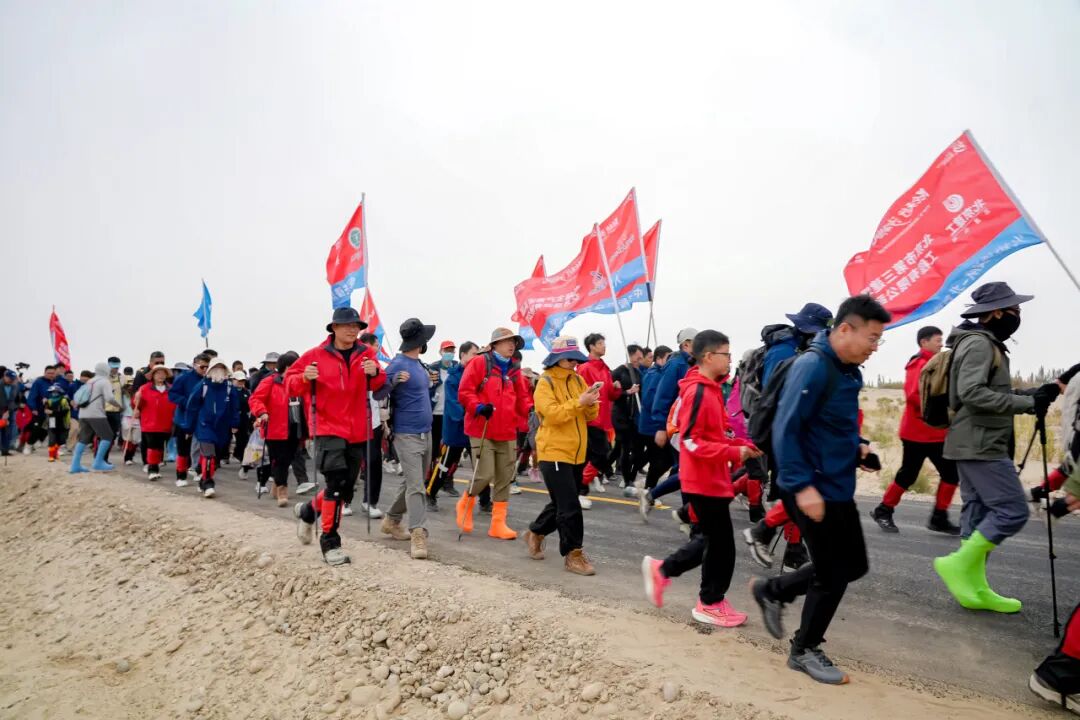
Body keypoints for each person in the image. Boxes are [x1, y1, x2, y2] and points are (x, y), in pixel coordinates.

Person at [749, 295, 889, 685]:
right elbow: (787, 429)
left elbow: (831, 425)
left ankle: (773, 591)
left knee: (853, 565)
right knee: (832, 572)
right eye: (872, 337)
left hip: (836, 484)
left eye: (879, 339)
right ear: (845, 329)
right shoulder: (812, 366)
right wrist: (802, 487)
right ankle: (804, 649)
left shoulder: (846, 370)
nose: (876, 346)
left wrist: (858, 447)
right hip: (810, 487)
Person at [933, 282, 1060, 614]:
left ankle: (975, 587)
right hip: (980, 443)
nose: (1018, 315)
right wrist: (1026, 404)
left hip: (971, 441)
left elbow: (990, 391)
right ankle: (958, 564)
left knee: (976, 513)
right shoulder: (978, 344)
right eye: (1015, 310)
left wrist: (1032, 395)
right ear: (997, 313)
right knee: (1012, 510)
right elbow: (972, 393)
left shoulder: (981, 342)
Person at [642, 330, 760, 627]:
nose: (730, 360)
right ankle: (705, 599)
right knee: (719, 546)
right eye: (726, 354)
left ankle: (681, 583)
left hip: (712, 478)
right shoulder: (698, 391)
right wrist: (733, 452)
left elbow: (712, 436)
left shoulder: (710, 389)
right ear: (708, 356)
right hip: (702, 480)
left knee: (713, 542)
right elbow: (691, 441)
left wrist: (740, 446)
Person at [290, 307, 386, 566]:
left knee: (345, 487)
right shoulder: (314, 355)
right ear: (334, 327)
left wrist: (375, 373)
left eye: (357, 326)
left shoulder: (367, 354)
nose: (353, 330)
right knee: (335, 483)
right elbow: (290, 383)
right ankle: (330, 542)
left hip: (358, 429)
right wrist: (303, 377)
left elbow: (379, 385)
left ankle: (309, 511)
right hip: (327, 426)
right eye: (347, 325)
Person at [870, 326, 961, 535]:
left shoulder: (940, 363)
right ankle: (883, 510)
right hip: (917, 434)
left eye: (941, 340)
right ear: (924, 342)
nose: (941, 343)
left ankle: (939, 517)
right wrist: (942, 408)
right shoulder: (918, 364)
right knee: (908, 475)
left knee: (951, 474)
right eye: (937, 340)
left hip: (937, 433)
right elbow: (913, 396)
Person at [523, 336, 599, 575]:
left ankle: (536, 531)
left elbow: (590, 416)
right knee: (570, 506)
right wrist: (579, 402)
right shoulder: (545, 382)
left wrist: (590, 402)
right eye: (569, 359)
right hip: (554, 452)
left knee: (562, 503)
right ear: (557, 359)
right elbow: (552, 415)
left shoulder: (578, 379)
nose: (574, 363)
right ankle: (573, 554)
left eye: (576, 359)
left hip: (576, 452)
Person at [455, 328, 532, 539]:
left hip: (507, 430)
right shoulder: (480, 363)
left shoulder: (515, 369)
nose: (511, 345)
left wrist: (531, 409)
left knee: (505, 478)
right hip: (482, 427)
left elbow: (522, 398)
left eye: (513, 342)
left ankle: (498, 524)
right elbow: (465, 391)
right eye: (507, 341)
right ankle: (465, 504)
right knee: (484, 474)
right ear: (495, 344)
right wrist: (479, 407)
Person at [377, 318, 439, 560]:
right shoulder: (396, 365)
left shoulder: (419, 364)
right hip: (406, 433)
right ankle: (418, 533)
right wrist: (392, 382)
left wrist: (431, 382)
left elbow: (420, 392)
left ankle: (391, 520)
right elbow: (378, 392)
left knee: (414, 482)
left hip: (426, 431)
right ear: (420, 341)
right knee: (416, 487)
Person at [639, 331, 696, 510]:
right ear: (686, 344)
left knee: (673, 465)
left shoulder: (689, 364)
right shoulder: (676, 365)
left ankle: (650, 492)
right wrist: (660, 426)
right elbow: (661, 396)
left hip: (682, 424)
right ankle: (686, 514)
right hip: (673, 425)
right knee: (682, 468)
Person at [577, 334, 632, 501]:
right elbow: (580, 393)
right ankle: (581, 488)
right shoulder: (584, 368)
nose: (604, 346)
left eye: (603, 343)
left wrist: (616, 388)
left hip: (603, 419)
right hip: (589, 418)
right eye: (600, 343)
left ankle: (581, 487)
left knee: (595, 455)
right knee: (599, 454)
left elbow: (611, 395)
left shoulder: (605, 369)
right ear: (592, 347)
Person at [428, 342, 478, 512]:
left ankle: (485, 500)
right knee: (445, 463)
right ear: (463, 355)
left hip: (473, 428)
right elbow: (453, 403)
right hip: (456, 428)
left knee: (480, 466)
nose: (476, 358)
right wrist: (471, 414)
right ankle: (430, 493)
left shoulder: (477, 374)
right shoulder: (453, 377)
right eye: (473, 354)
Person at [250, 351, 304, 507]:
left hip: (295, 426)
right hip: (275, 427)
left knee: (287, 459)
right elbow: (255, 399)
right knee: (280, 459)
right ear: (286, 367)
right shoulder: (270, 381)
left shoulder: (301, 382)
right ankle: (282, 490)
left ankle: (276, 484)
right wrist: (262, 412)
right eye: (294, 366)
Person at [184, 361, 240, 498]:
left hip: (222, 428)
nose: (218, 370)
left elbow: (235, 408)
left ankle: (202, 477)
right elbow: (192, 407)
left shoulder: (229, 388)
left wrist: (235, 424)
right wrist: (189, 427)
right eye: (215, 368)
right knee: (208, 455)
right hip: (205, 425)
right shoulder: (202, 386)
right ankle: (208, 484)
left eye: (221, 368)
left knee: (214, 458)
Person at [70, 362, 120, 473]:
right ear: (106, 370)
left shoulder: (90, 381)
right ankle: (98, 462)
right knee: (108, 436)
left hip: (83, 413)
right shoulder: (105, 381)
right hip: (96, 414)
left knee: (83, 439)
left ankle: (75, 465)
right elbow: (109, 398)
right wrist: (119, 406)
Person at [169, 354, 210, 486]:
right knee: (183, 449)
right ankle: (181, 476)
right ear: (194, 365)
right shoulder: (183, 378)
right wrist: (187, 402)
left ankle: (199, 471)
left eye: (208, 367)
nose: (205, 369)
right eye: (202, 367)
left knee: (204, 447)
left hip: (202, 419)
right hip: (184, 418)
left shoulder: (210, 379)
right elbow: (172, 394)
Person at [612, 344, 645, 495]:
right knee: (624, 449)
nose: (640, 360)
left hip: (635, 416)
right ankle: (626, 480)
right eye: (638, 357)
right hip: (621, 416)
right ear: (630, 355)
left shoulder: (638, 372)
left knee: (637, 450)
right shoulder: (618, 372)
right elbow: (611, 393)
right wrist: (627, 392)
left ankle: (630, 476)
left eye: (641, 357)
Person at [133, 365, 176, 481]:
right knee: (152, 446)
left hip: (166, 423)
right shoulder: (144, 388)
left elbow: (176, 404)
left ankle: (155, 467)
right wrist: (137, 401)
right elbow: (136, 404)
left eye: (163, 373)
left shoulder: (171, 389)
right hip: (149, 423)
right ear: (152, 375)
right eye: (158, 373)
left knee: (160, 447)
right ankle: (152, 469)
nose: (161, 375)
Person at [231, 371, 253, 480]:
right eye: (238, 380)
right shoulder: (229, 391)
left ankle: (241, 458)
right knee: (223, 442)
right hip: (230, 419)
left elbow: (250, 405)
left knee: (243, 441)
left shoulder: (246, 392)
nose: (241, 382)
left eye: (242, 380)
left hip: (243, 420)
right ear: (233, 380)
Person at [43, 384, 71, 462]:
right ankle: (51, 456)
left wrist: (53, 412)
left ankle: (55, 454)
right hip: (52, 421)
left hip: (62, 422)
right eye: (52, 392)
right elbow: (46, 411)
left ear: (59, 392)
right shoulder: (49, 401)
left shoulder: (64, 400)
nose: (54, 393)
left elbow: (65, 411)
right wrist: (45, 405)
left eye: (56, 392)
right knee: (52, 438)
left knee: (60, 440)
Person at [104, 357, 124, 459]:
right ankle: (102, 458)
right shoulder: (102, 378)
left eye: (117, 367)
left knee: (112, 435)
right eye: (113, 367)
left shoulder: (122, 378)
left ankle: (104, 457)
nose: (115, 369)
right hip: (103, 411)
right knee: (104, 435)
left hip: (116, 411)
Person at [1, 370, 21, 456]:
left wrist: (12, 408)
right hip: (1, 411)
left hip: (10, 412)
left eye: (13, 379)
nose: (11, 380)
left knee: (8, 431)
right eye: (10, 378)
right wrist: (3, 413)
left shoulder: (15, 386)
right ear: (4, 376)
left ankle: (5, 450)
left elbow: (17, 399)